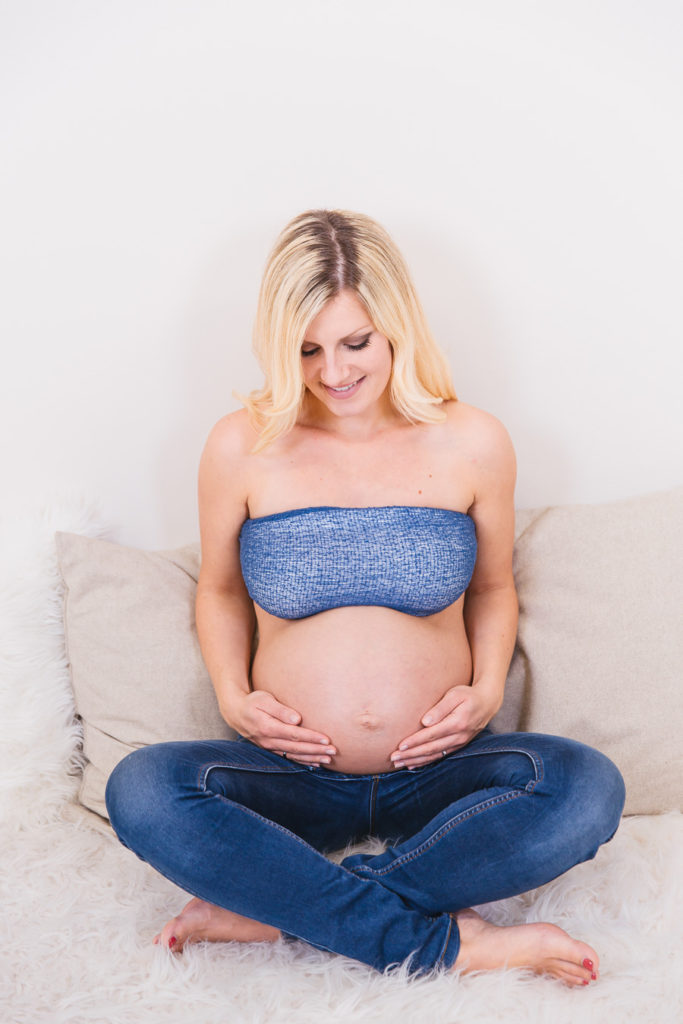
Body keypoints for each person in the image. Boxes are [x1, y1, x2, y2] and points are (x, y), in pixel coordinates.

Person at [105, 209, 625, 984]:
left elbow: (492, 587)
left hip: (440, 771)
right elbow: (218, 590)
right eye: (306, 350)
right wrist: (234, 696)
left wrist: (486, 691)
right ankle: (445, 946)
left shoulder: (472, 441)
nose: (333, 372)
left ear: (396, 330)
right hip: (291, 777)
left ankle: (282, 909)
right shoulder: (241, 445)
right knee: (143, 789)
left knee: (585, 788)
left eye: (356, 343)